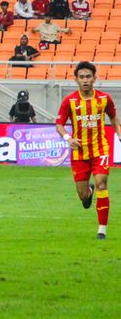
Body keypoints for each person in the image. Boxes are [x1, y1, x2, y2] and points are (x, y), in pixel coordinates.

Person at [55, 61, 121, 239]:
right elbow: (59, 124)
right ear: (76, 79)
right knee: (83, 196)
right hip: (79, 154)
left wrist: (119, 134)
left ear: (94, 78)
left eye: (88, 77)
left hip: (100, 150)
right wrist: (68, 138)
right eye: (82, 77)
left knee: (102, 183)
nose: (85, 80)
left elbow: (114, 119)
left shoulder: (104, 98)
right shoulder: (70, 101)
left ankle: (102, 230)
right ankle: (88, 192)